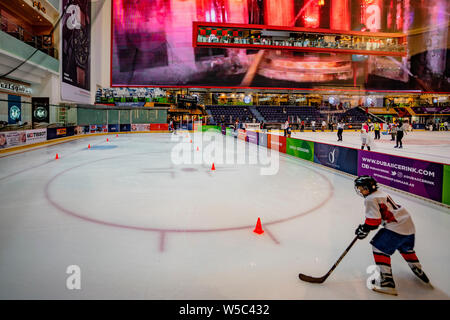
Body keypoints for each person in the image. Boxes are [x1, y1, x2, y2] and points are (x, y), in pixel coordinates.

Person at [354, 175, 432, 295]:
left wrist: (364, 228)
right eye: (358, 188)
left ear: (369, 188)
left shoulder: (369, 199)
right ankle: (417, 268)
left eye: (362, 188)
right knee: (406, 248)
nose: (360, 191)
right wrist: (365, 228)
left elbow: (374, 221)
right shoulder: (380, 192)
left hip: (397, 228)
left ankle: (387, 283)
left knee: (379, 248)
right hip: (408, 224)